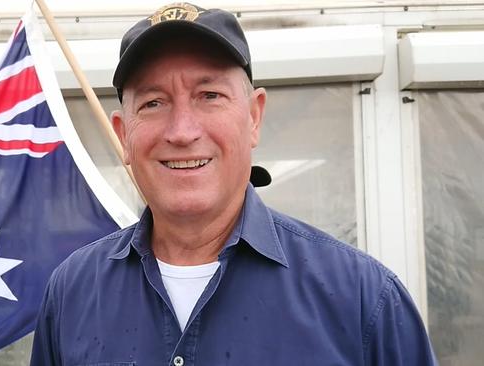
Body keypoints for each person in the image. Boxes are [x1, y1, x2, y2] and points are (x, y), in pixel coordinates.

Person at [30, 3, 437, 365]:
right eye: (153, 103)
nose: (182, 131)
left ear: (254, 117)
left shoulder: (365, 302)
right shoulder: (71, 295)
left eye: (209, 95)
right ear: (124, 135)